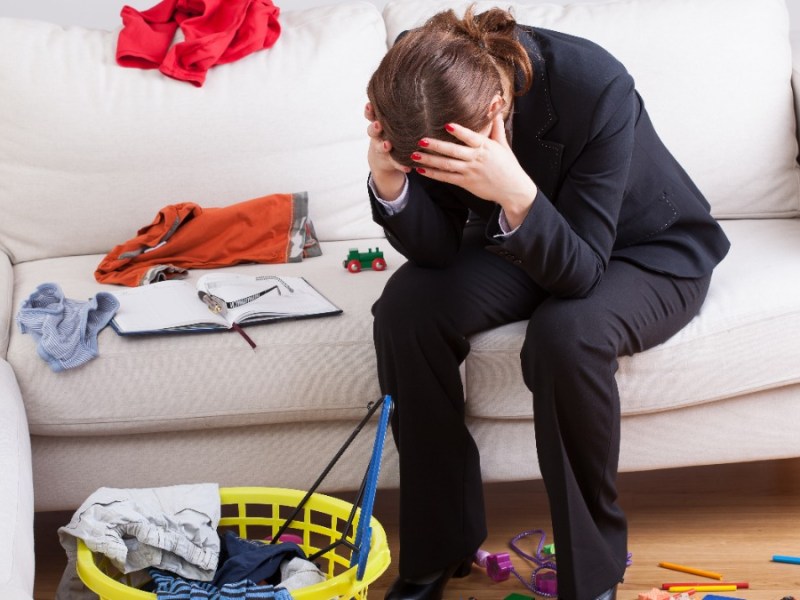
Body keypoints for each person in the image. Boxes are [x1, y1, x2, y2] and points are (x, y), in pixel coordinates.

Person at [364, 6, 730, 600]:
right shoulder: (419, 77)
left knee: (567, 335)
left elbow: (583, 272)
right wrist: (390, 181)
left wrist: (513, 190)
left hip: (644, 248)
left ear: (492, 114)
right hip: (525, 240)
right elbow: (433, 251)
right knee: (407, 309)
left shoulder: (596, 85)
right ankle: (438, 547)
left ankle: (592, 575)